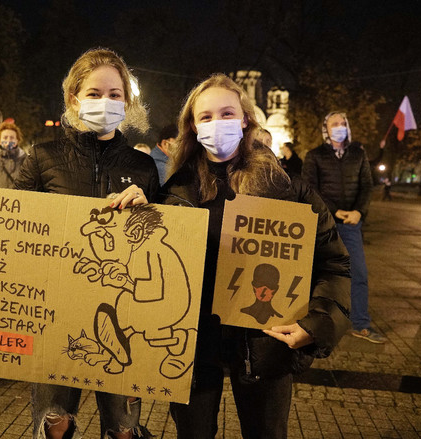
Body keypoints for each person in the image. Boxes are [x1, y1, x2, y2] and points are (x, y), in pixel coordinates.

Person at [158, 74, 351, 438]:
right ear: (193, 127)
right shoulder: (174, 193)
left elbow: (333, 262)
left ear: (245, 119)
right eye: (206, 117)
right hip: (192, 348)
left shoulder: (287, 190)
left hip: (266, 344)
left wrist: (318, 324)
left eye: (227, 113)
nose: (218, 124)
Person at [14, 48, 158, 439]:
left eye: (115, 94)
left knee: (124, 427)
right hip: (56, 315)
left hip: (124, 317)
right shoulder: (43, 158)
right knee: (55, 423)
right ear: (74, 98)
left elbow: (162, 243)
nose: (105, 102)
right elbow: (14, 233)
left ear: (127, 103)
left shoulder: (142, 167)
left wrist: (151, 211)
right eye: (94, 93)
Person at [303, 111, 386, 344]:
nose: (339, 127)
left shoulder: (358, 154)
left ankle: (360, 324)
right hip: (323, 225)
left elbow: (367, 187)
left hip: (350, 225)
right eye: (334, 124)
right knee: (314, 273)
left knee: (358, 274)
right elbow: (311, 190)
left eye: (343, 123)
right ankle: (309, 321)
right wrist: (333, 211)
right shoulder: (314, 155)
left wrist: (359, 212)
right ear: (325, 130)